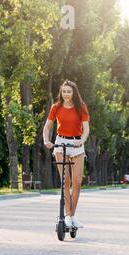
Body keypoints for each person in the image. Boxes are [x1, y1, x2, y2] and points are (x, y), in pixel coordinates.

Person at [43, 80, 90, 228]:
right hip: (61, 143)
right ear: (61, 92)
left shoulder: (81, 107)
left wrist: (81, 140)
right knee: (66, 181)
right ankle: (68, 216)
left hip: (76, 145)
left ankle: (73, 215)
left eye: (69, 92)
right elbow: (48, 126)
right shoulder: (56, 107)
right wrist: (46, 140)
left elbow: (86, 129)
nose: (66, 94)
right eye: (64, 91)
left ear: (74, 93)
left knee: (77, 182)